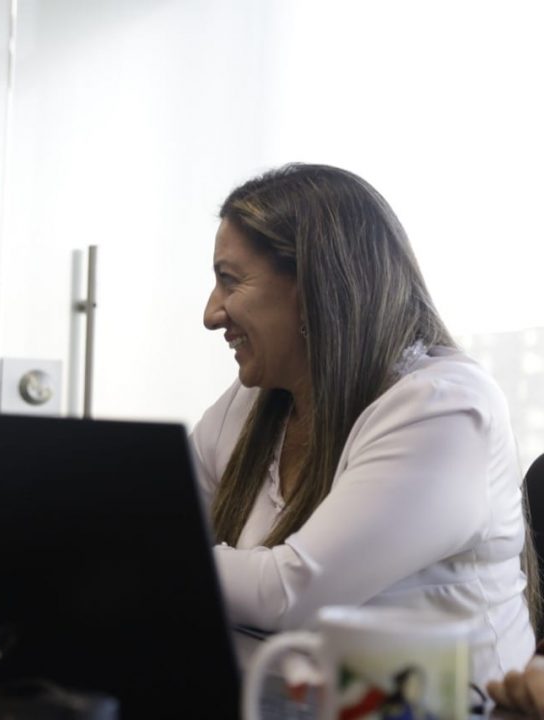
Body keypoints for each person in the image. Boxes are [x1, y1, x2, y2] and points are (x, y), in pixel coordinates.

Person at [190, 163, 535, 690]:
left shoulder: (443, 408)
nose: (212, 313)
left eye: (229, 281)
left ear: (313, 288)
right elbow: (168, 518)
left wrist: (148, 552)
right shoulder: (256, 400)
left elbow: (291, 594)